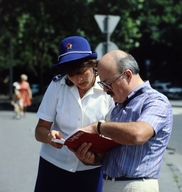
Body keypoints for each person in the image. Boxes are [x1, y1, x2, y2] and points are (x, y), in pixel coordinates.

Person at [74, 50, 173, 192]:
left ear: (127, 75)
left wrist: (98, 127)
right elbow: (111, 155)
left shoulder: (156, 101)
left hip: (136, 185)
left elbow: (138, 134)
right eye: (102, 84)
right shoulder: (117, 108)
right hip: (109, 183)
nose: (105, 91)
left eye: (107, 84)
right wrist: (92, 159)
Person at [34, 36, 115, 192]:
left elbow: (114, 132)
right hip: (54, 165)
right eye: (71, 74)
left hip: (92, 168)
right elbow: (39, 131)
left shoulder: (108, 88)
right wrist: (49, 137)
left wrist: (96, 156)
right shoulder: (58, 85)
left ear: (92, 64)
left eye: (81, 72)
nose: (78, 79)